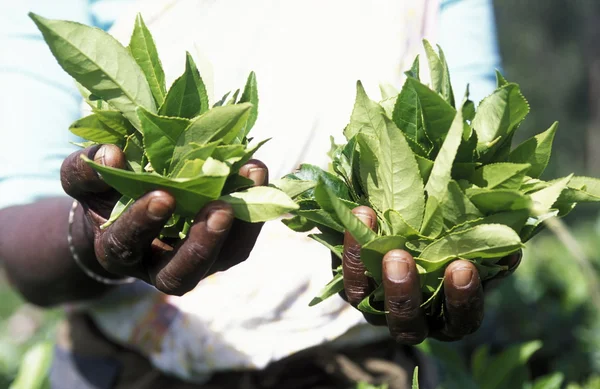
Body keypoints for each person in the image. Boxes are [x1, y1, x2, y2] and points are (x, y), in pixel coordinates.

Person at [0, 0, 516, 388]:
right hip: (126, 366)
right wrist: (93, 232)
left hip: (360, 367)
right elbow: (19, 230)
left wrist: (456, 259)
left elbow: (464, 142)